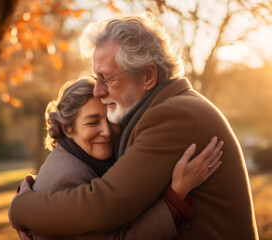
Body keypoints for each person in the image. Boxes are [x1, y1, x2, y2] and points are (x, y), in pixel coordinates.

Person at [10, 13, 258, 239]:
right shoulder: (162, 110)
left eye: (106, 78)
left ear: (148, 77)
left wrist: (20, 207)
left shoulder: (173, 115)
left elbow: (103, 206)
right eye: (96, 78)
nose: (98, 90)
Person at [11, 78, 222, 240]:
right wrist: (175, 197)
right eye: (93, 122)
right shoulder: (68, 177)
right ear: (68, 128)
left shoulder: (80, 160)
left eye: (111, 119)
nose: (106, 131)